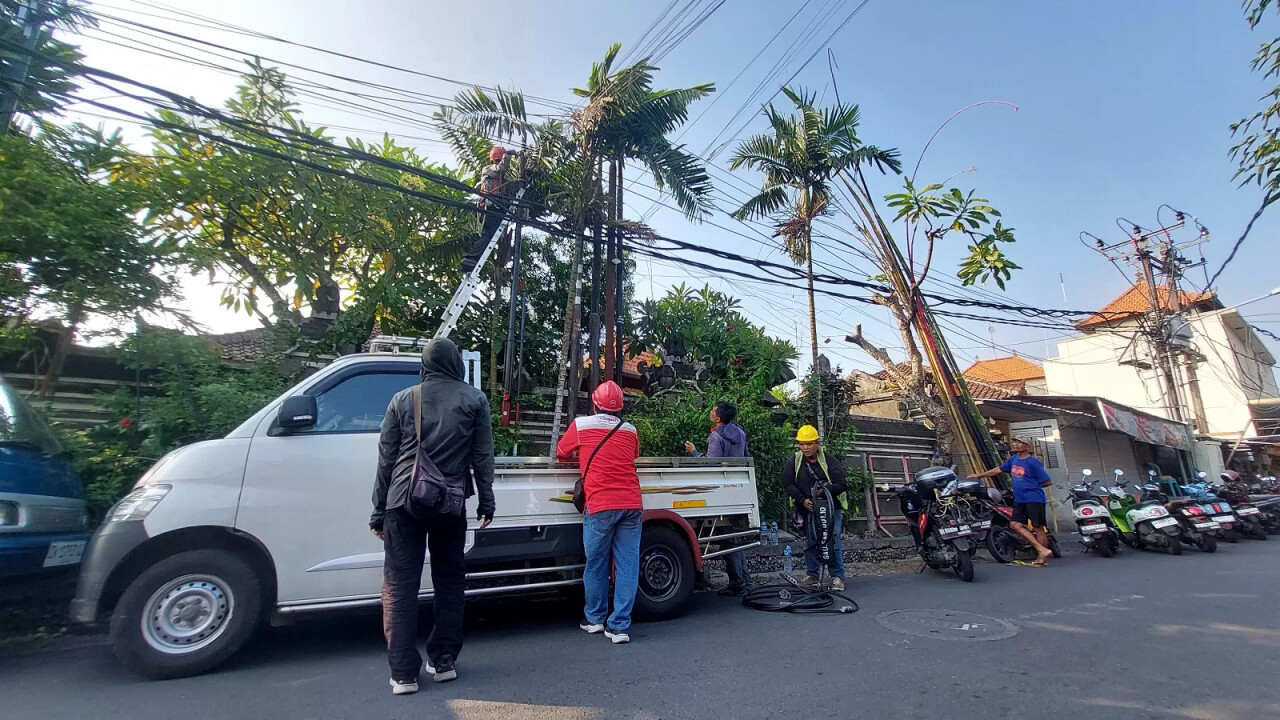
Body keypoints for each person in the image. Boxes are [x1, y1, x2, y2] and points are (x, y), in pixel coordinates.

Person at [371, 338, 496, 695]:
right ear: (456, 363)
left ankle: (404, 674)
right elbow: (482, 458)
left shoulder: (402, 400)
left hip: (402, 502)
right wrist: (486, 501)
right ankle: (443, 661)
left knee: (399, 585)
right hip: (450, 505)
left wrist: (378, 511)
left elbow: (386, 460)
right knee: (450, 580)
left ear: (425, 365)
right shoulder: (475, 400)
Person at [556, 381, 642, 645]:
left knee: (596, 564)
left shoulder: (581, 426)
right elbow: (632, 457)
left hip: (600, 504)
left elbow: (561, 453)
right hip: (631, 504)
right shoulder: (631, 430)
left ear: (594, 404)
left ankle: (594, 619)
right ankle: (619, 627)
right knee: (627, 565)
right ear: (620, 408)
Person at [684, 401, 754, 596]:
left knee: (727, 540)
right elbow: (746, 459)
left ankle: (738, 584)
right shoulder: (740, 433)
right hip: (738, 489)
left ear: (718, 417)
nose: (710, 411)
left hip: (721, 492)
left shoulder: (716, 437)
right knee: (735, 537)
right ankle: (745, 581)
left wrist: (694, 453)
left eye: (713, 410)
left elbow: (710, 465)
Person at [781, 425, 849, 591]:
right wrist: (803, 500)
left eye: (809, 444)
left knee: (832, 541)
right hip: (806, 509)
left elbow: (842, 483)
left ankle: (837, 577)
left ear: (817, 443)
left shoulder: (828, 460)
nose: (805, 448)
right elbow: (788, 484)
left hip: (830, 509)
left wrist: (824, 492)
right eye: (802, 444)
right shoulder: (795, 461)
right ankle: (812, 575)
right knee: (810, 541)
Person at [969, 435, 1053, 567]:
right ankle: (1042, 550)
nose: (1016, 444)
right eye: (1015, 442)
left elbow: (1047, 481)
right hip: (1020, 500)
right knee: (1015, 525)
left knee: (1038, 528)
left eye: (1020, 442)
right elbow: (998, 470)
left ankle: (1042, 557)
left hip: (1034, 499)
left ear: (1027, 446)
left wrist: (1031, 487)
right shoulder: (1013, 460)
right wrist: (979, 475)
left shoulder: (1032, 462)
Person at [460, 146, 510, 274]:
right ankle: (471, 257)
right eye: (500, 159)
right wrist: (508, 155)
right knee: (489, 234)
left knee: (491, 235)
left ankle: (472, 258)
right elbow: (501, 168)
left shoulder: (501, 178)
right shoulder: (488, 170)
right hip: (490, 207)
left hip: (497, 208)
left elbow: (510, 188)